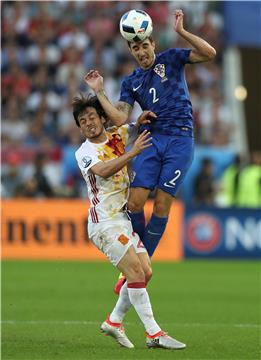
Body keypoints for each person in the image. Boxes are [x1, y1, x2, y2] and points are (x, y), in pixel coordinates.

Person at [85, 9, 216, 290]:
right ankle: (137, 262)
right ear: (131, 50)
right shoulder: (130, 82)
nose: (141, 51)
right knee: (134, 203)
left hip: (180, 138)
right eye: (135, 47)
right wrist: (99, 91)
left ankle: (139, 267)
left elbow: (209, 53)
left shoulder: (171, 59)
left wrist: (181, 32)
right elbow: (120, 118)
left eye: (145, 45)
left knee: (161, 205)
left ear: (153, 44)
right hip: (151, 138)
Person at [73, 94, 186, 350]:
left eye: (91, 117)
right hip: (104, 223)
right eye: (82, 121)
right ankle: (154, 333)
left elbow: (133, 127)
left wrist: (140, 120)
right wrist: (133, 152)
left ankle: (113, 321)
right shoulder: (84, 152)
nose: (88, 123)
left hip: (122, 219)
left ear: (102, 119)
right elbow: (103, 171)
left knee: (145, 272)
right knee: (135, 272)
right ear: (80, 127)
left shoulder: (117, 135)